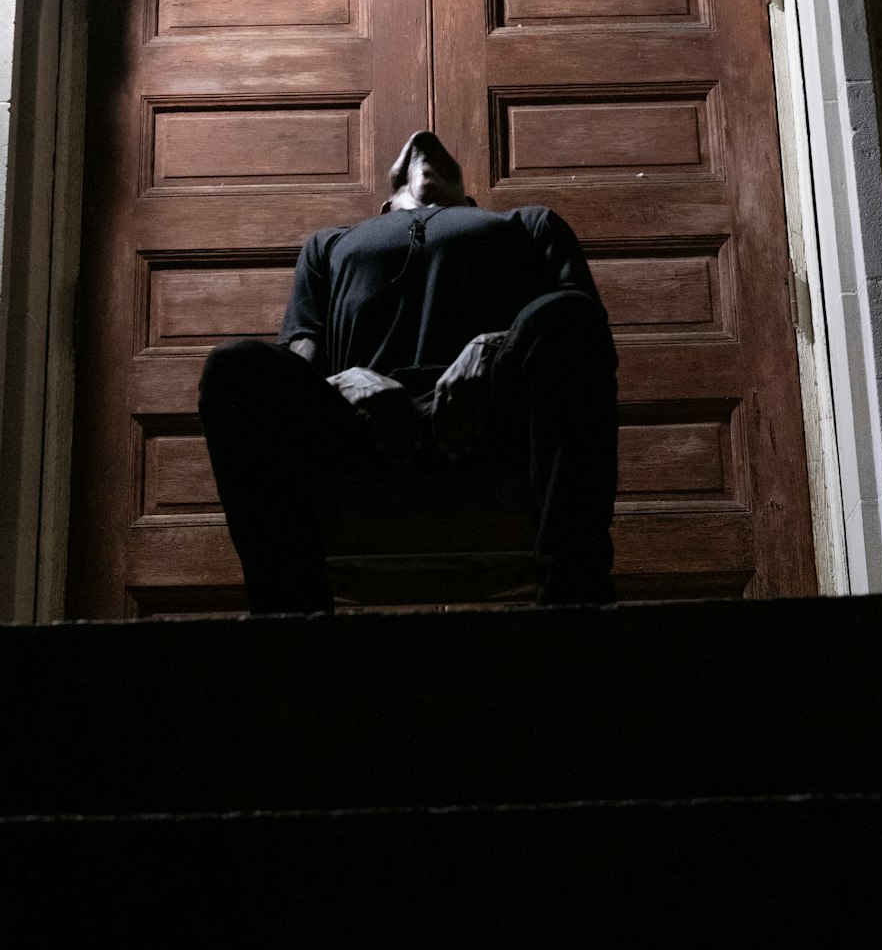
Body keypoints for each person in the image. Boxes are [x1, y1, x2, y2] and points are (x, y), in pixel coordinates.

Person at [198, 131, 619, 614]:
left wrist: (492, 343)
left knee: (569, 318)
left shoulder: (527, 223)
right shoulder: (328, 245)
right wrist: (345, 380)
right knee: (235, 369)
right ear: (384, 210)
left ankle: (574, 610)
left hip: (492, 423)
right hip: (365, 436)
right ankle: (292, 624)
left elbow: (585, 326)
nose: (424, 138)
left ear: (471, 201)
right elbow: (300, 365)